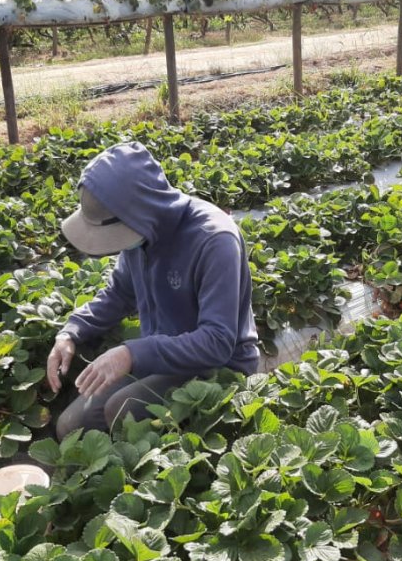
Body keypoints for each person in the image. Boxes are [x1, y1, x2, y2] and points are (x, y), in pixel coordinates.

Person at [46, 142, 260, 439]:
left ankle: (142, 478)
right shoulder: (142, 234)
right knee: (71, 426)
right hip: (160, 358)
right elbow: (120, 293)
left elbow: (217, 342)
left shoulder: (214, 239)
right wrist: (71, 331)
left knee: (123, 411)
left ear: (141, 213)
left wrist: (131, 354)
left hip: (219, 366)